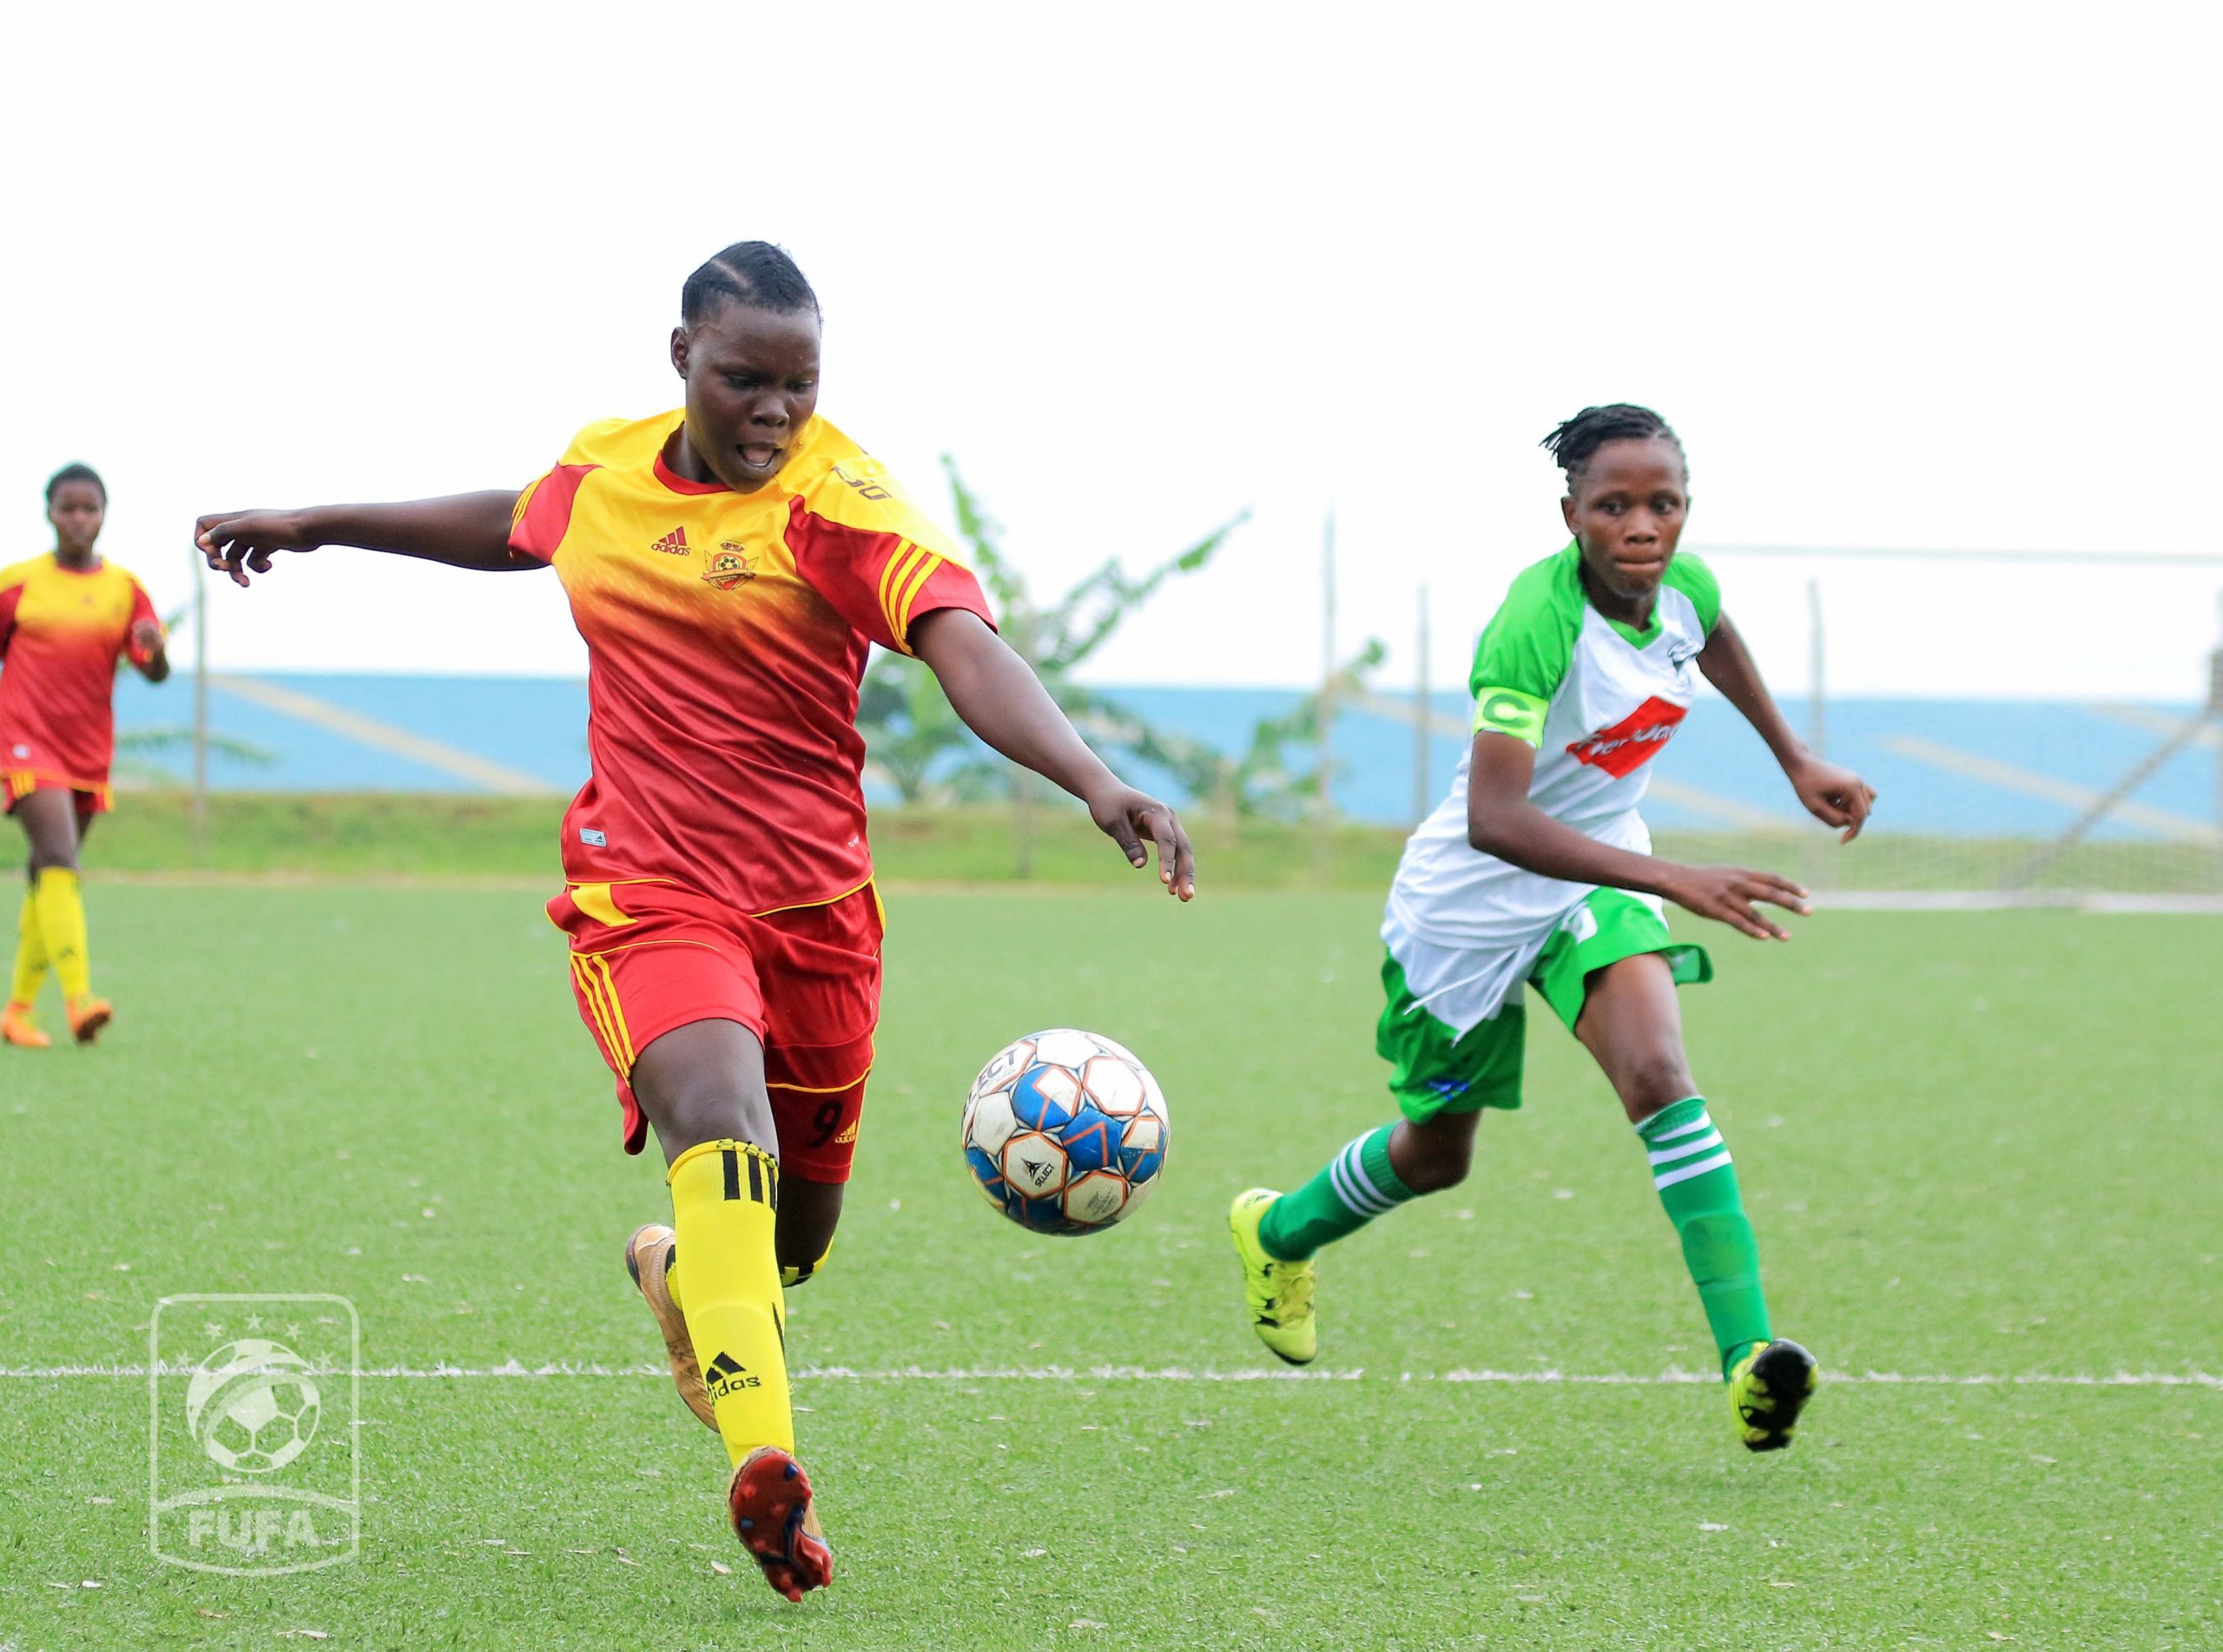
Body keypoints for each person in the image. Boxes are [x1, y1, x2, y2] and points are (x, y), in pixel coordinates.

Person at [195, 241, 1195, 1603]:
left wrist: (1093, 776)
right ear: (682, 359)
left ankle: (677, 1278)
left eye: (799, 382)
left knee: (787, 1240)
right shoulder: (606, 471)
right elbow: (513, 524)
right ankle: (767, 1460)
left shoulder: (840, 500)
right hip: (646, 887)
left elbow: (965, 641)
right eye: (745, 379)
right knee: (723, 1123)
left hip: (819, 914)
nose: (774, 410)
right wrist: (321, 519)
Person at [1228, 404, 1875, 1451]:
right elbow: (1498, 820)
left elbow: (1714, 639)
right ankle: (1277, 1229)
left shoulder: (1686, 589)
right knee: (1438, 1157)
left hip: (1593, 883)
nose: (1640, 525)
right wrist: (1677, 873)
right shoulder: (1534, 623)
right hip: (1463, 913)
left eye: (1661, 503)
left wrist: (1795, 758)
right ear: (1570, 513)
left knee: (1660, 1076)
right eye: (1613, 505)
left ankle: (1748, 1361)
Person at [1, 464, 168, 1049]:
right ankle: (79, 1000)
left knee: (49, 878)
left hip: (88, 749)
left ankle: (18, 1011)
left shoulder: (126, 588)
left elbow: (153, 671)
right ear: (49, 511)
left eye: (89, 508)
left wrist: (154, 653)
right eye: (67, 507)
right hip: (25, 740)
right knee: (57, 856)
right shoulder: (18, 582)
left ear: (104, 513)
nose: (78, 518)